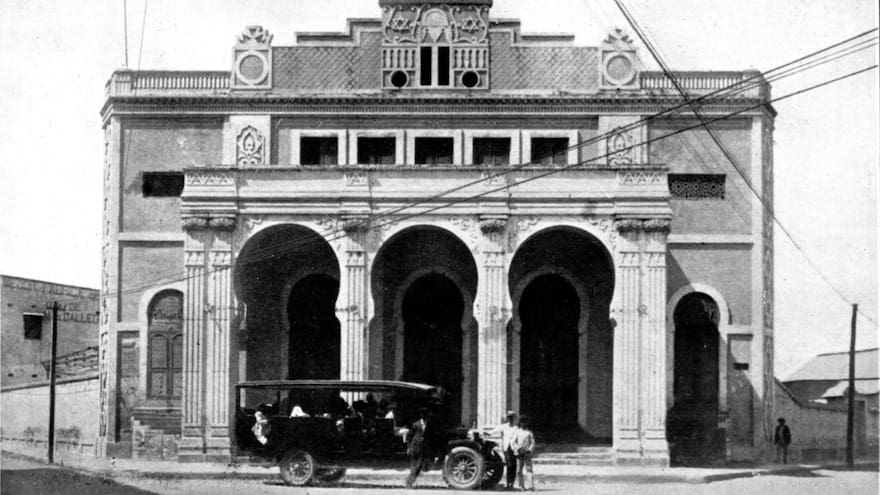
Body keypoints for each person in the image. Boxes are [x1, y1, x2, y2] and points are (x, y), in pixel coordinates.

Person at [405, 407, 434, 489]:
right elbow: (409, 436)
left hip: (423, 449)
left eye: (426, 415)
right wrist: (409, 447)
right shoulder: (416, 424)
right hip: (415, 448)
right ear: (421, 415)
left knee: (418, 466)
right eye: (424, 415)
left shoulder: (429, 424)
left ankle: (410, 482)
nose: (425, 416)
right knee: (414, 466)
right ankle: (409, 483)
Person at [493, 410, 519, 490]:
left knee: (514, 466)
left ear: (514, 418)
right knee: (509, 465)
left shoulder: (516, 428)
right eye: (509, 417)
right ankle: (508, 483)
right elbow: (495, 431)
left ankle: (511, 484)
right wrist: (488, 433)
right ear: (507, 418)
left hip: (514, 448)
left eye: (512, 417)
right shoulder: (504, 426)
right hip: (506, 447)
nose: (510, 419)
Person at [513, 415, 536, 491]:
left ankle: (531, 486)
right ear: (520, 423)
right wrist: (518, 448)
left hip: (527, 453)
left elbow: (532, 442)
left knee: (529, 469)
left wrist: (529, 450)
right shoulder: (517, 432)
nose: (523, 424)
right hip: (519, 453)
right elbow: (513, 442)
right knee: (519, 470)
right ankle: (521, 486)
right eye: (522, 422)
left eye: (525, 422)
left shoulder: (529, 432)